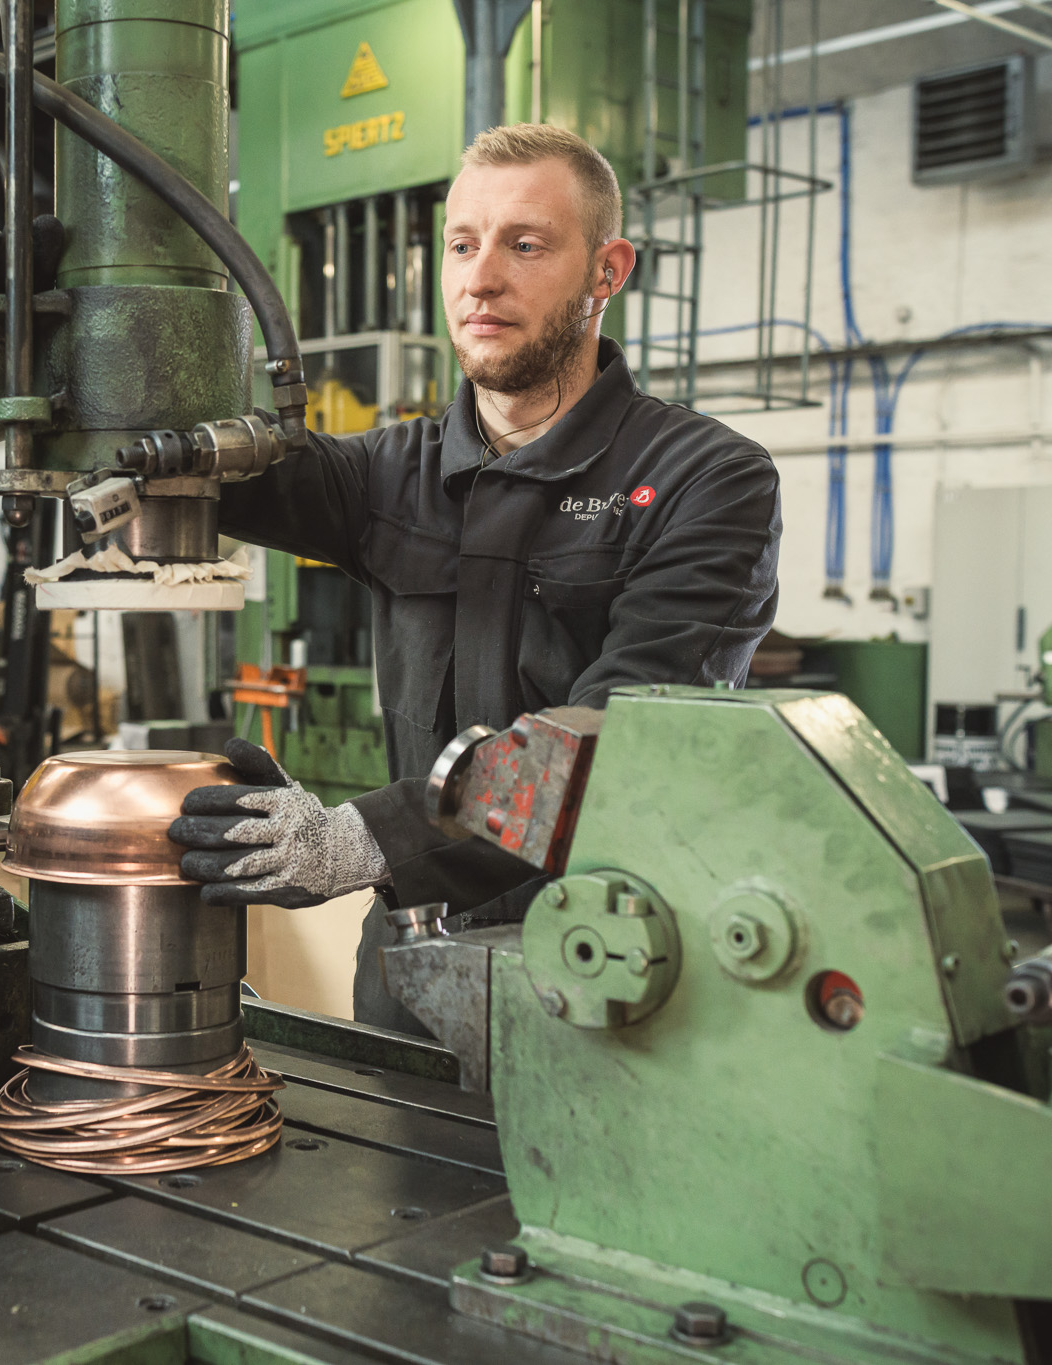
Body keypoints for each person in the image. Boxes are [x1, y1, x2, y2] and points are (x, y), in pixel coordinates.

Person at [169, 124, 783, 1032]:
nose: (480, 278)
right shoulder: (391, 471)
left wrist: (361, 838)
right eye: (462, 245)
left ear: (608, 271)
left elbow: (613, 744)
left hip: (607, 970)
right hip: (408, 967)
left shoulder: (708, 477)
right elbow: (186, 450)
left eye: (524, 245)